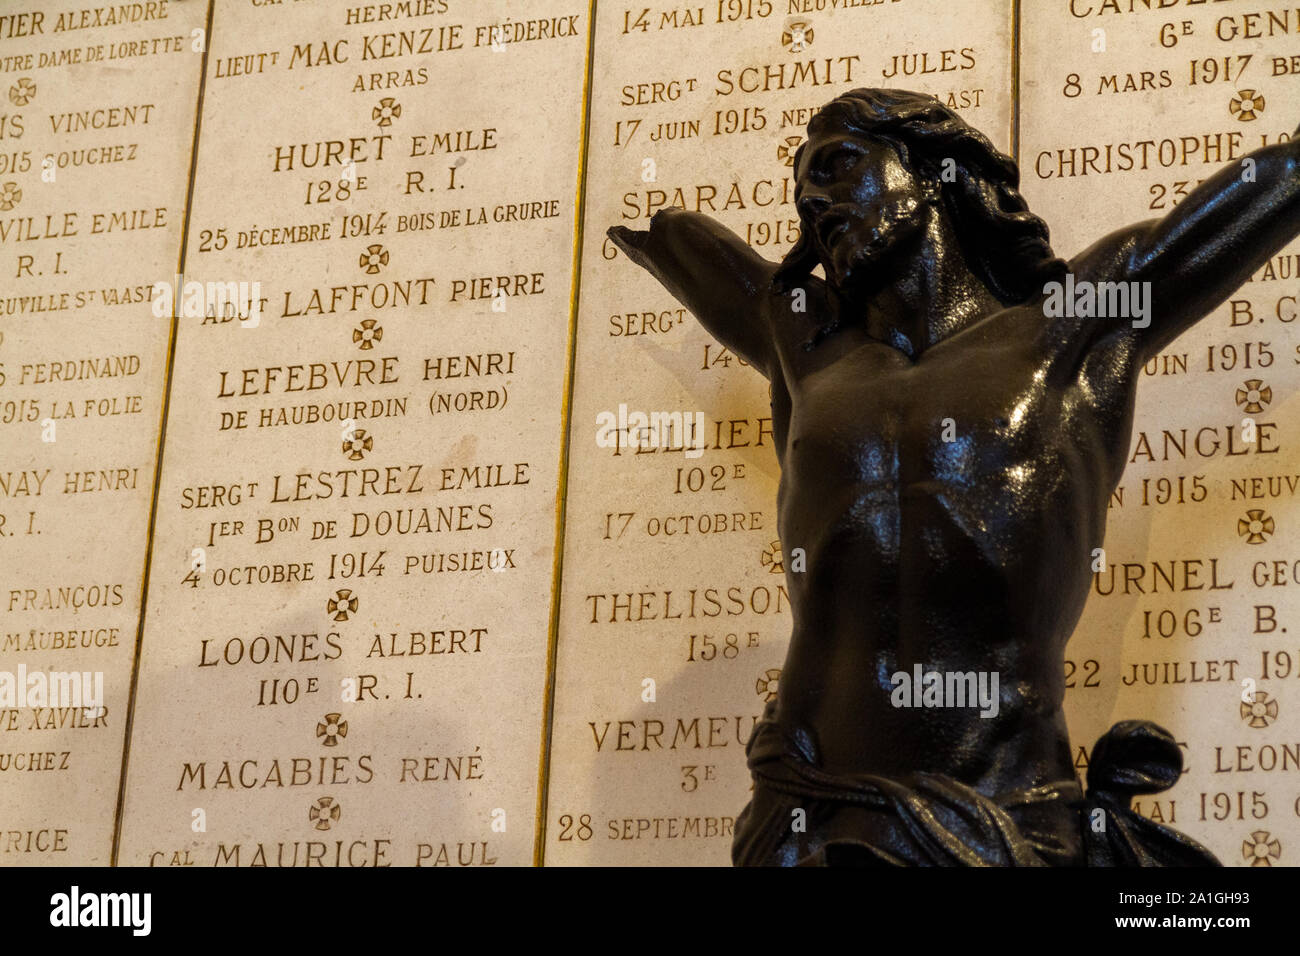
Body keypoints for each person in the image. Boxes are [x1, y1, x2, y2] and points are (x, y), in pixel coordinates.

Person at [608, 88, 1300, 865]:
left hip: (1000, 816)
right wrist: (660, 229)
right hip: (805, 816)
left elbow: (1261, 196)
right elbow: (701, 254)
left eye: (839, 166)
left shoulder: (1072, 326)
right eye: (802, 193)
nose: (815, 202)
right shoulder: (808, 349)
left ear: (938, 169)